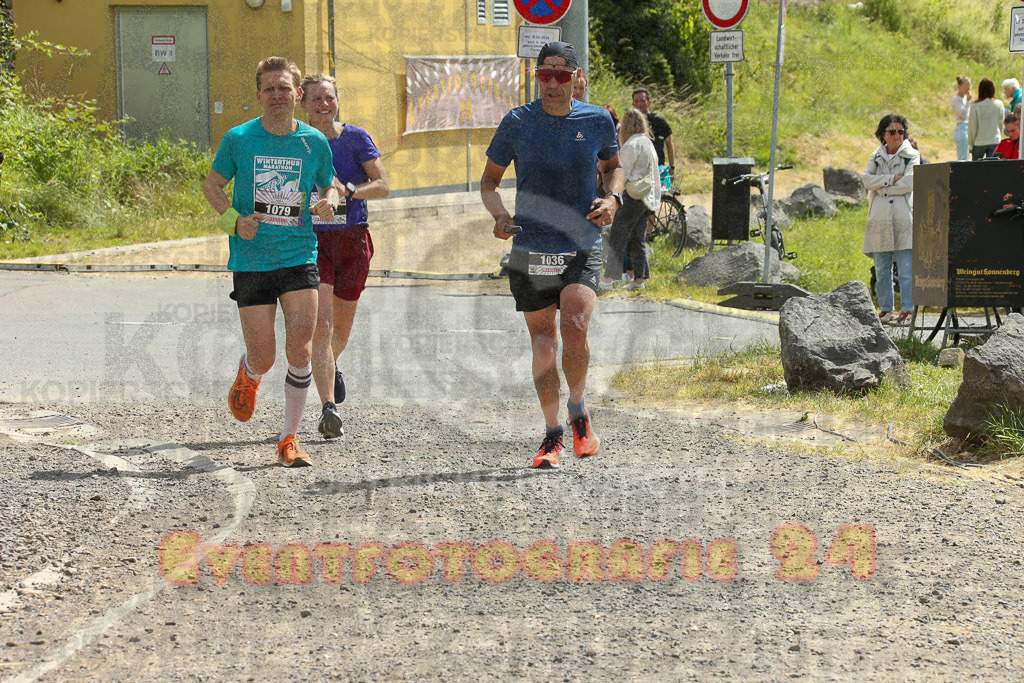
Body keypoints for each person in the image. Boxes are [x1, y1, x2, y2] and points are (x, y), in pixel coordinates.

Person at [480, 41, 623, 469]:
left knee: (575, 327)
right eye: (546, 74)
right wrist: (501, 214)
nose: (554, 83)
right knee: (544, 345)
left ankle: (578, 410)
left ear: (577, 77)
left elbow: (613, 166)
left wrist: (613, 198)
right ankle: (552, 434)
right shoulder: (517, 122)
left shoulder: (597, 119)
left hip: (581, 241)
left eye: (563, 74)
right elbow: (489, 182)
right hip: (531, 246)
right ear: (536, 76)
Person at [202, 56, 338, 467]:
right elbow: (212, 186)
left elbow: (328, 187)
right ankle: (249, 374)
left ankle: (289, 438)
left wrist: (328, 204)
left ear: (298, 94)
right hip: (252, 260)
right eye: (269, 89)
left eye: (285, 88)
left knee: (301, 345)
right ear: (259, 94)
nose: (277, 95)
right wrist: (234, 220)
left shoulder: (314, 142)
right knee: (264, 354)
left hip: (299, 256)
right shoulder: (239, 138)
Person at [298, 73, 390, 440]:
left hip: (353, 240)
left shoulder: (355, 138)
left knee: (341, 328)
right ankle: (327, 408)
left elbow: (383, 185)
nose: (323, 105)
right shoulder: (296, 141)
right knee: (321, 327)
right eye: (316, 99)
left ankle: (331, 364)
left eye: (329, 98)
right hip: (313, 242)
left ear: (338, 101)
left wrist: (348, 191)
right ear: (302, 103)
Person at [862, 114, 920, 327]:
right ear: (883, 135)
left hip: (903, 215)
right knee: (882, 268)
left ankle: (908, 310)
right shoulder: (875, 156)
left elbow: (910, 182)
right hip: (879, 216)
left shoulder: (912, 155)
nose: (897, 135)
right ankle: (886, 309)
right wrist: (890, 179)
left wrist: (882, 186)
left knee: (906, 268)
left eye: (901, 131)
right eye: (892, 131)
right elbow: (867, 180)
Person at [600, 107, 660, 292]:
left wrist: (611, 192)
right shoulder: (647, 142)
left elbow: (621, 172)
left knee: (618, 234)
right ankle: (639, 279)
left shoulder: (631, 145)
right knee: (637, 238)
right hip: (645, 196)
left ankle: (610, 278)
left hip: (631, 196)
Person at [631, 87, 674, 187]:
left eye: (642, 101)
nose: (639, 104)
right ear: (633, 105)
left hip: (658, 168)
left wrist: (672, 168)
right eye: (636, 101)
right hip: (638, 170)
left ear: (649, 103)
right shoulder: (631, 123)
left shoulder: (659, 121)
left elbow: (670, 145)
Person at [968, 78, 1004, 160]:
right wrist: (999, 137)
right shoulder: (999, 104)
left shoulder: (975, 105)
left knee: (977, 169)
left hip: (979, 141)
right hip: (995, 140)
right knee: (993, 169)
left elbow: (972, 127)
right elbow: (1001, 123)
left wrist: (971, 145)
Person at [951, 76, 971, 161]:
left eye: (969, 85)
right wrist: (968, 102)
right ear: (960, 86)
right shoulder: (956, 99)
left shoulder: (964, 98)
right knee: (963, 158)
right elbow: (963, 115)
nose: (968, 88)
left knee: (966, 156)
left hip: (967, 128)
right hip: (961, 128)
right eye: (966, 85)